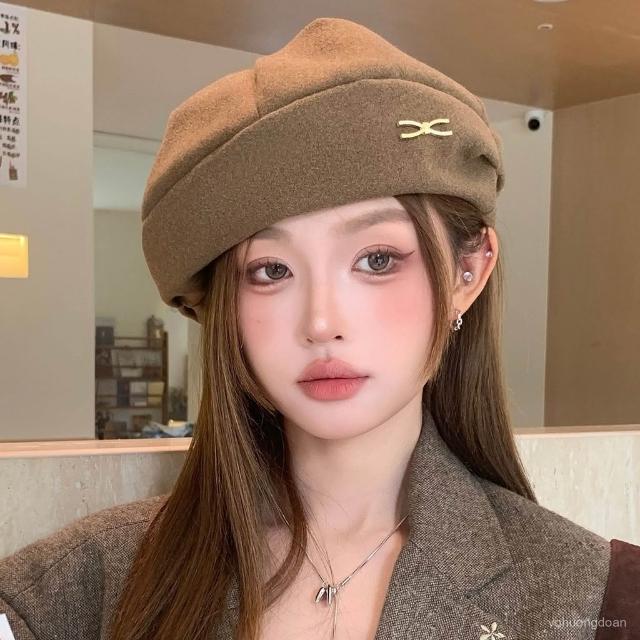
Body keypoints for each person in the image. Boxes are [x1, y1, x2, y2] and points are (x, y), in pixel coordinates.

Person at [1, 16, 639, 640]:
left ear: (467, 272)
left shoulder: (593, 597)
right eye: (271, 270)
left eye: (377, 260)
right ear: (221, 309)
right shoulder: (84, 585)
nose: (321, 323)